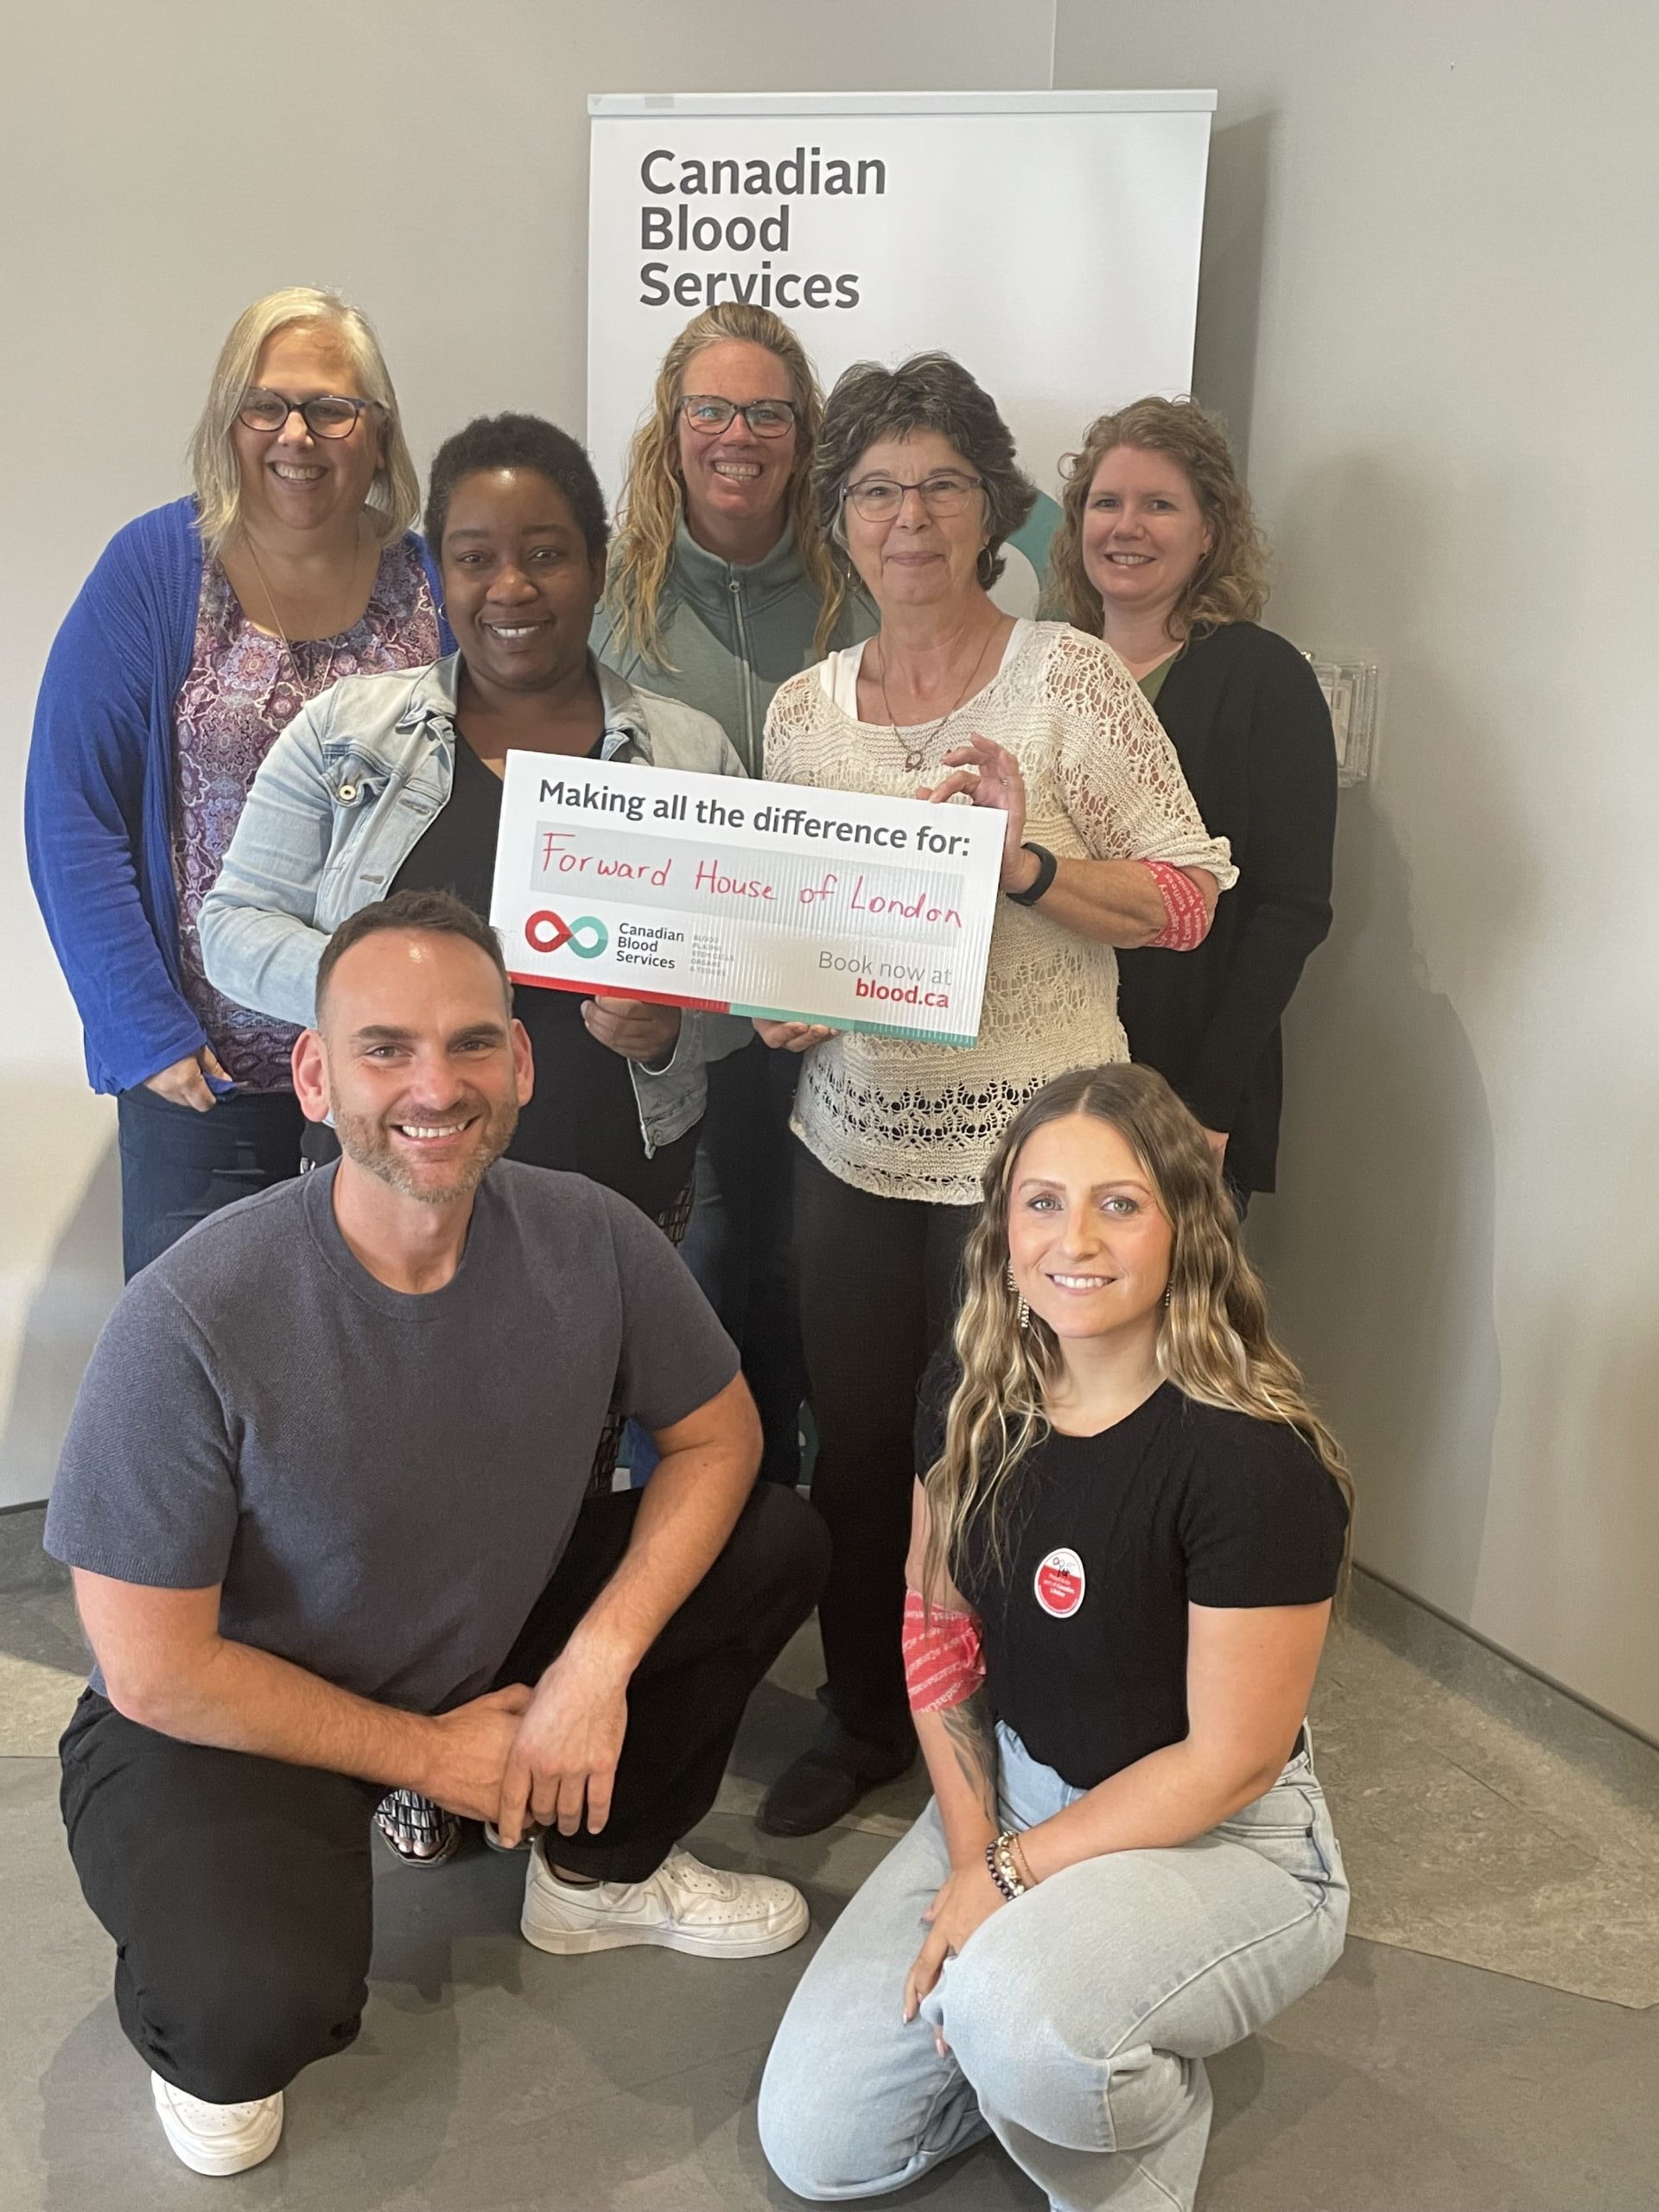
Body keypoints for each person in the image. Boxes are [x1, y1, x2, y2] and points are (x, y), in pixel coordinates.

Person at [45, 889, 829, 2181]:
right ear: (313, 1075)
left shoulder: (591, 1236)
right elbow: (153, 1670)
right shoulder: (194, 1310)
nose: (436, 1083)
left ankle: (597, 1877)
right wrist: (429, 1758)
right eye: (385, 1048)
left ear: (521, 1063)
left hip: (481, 1631)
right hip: (236, 1701)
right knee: (245, 2021)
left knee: (772, 1542)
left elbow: (720, 1438)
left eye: (472, 1042)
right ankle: (223, 1978)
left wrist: (594, 1666)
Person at [200, 413, 743, 1863]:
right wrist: (374, 997)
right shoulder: (355, 733)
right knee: (405, 1477)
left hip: (616, 1175)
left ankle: (563, 1735)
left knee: (579, 1484)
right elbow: (231, 920)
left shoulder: (682, 749)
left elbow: (751, 985)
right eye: (478, 557)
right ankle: (410, 1748)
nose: (514, 589)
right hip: (398, 1199)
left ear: (598, 565)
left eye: (547, 555)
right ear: (435, 569)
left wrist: (676, 1023)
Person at [753, 354, 1237, 1837]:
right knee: (854, 1443)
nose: (910, 518)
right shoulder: (802, 712)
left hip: (1031, 1162)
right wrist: (780, 999)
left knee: (1009, 1448)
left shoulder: (1069, 680)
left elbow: (1189, 898)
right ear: (838, 520)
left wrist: (1025, 864)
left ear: (994, 511)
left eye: (942, 485)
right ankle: (866, 1711)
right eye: (878, 489)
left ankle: (1021, 1719)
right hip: (846, 1146)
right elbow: (791, 931)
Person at [759, 1062, 1351, 2212]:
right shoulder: (972, 1388)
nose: (1073, 1239)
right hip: (1020, 1796)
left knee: (1019, 2021)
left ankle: (1116, 2101)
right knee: (821, 2143)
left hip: (1224, 1837)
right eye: (1042, 1202)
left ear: (1186, 1225)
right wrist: (983, 1845)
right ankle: (1047, 2035)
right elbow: (935, 1628)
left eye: (1119, 1204)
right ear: (1003, 1226)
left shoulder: (1249, 1460)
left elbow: (1230, 1760)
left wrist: (1011, 1879)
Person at [25, 286, 442, 1280]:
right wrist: (142, 1032)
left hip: (392, 1088)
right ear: (229, 424)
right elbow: (71, 813)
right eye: (267, 405)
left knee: (377, 1375)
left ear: (377, 437)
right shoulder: (158, 571)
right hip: (204, 1088)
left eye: (332, 409)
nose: (298, 434)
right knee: (202, 1384)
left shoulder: (434, 587)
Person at [594, 305, 874, 1487]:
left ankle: (791, 1561)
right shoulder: (611, 595)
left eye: (768, 411)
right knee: (694, 1303)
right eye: (712, 408)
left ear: (804, 436)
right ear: (672, 428)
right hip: (682, 1039)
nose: (739, 436)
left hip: (838, 1029)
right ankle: (693, 1578)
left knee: (810, 1302)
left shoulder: (863, 585)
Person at [1049, 396, 1338, 1211]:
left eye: (1159, 505)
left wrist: (1206, 1105)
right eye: (1106, 503)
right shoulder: (1045, 669)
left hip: (1182, 1090)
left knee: (1160, 1337)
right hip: (1041, 1081)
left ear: (1210, 531)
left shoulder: (1262, 677)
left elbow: (1291, 909)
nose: (1126, 527)